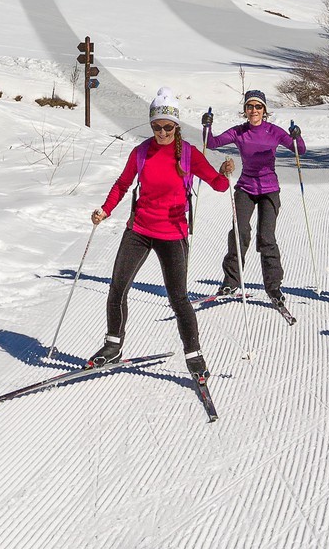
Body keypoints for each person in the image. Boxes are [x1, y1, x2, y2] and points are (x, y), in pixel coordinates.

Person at [86, 86, 235, 380]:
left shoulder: (189, 154)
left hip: (173, 233)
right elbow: (122, 184)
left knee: (178, 298)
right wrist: (105, 210)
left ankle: (195, 358)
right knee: (117, 288)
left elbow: (219, 186)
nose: (162, 132)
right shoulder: (141, 152)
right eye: (157, 126)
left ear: (176, 126)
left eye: (168, 127)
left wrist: (224, 172)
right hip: (139, 229)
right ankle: (112, 345)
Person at [203, 89, 305, 313]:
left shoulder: (274, 131)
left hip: (269, 190)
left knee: (266, 237)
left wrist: (297, 136)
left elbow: (301, 150)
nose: (254, 111)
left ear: (264, 110)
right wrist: (206, 126)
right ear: (245, 110)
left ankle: (274, 288)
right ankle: (231, 282)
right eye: (250, 107)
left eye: (258, 107)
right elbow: (211, 143)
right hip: (246, 188)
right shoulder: (240, 132)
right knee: (239, 233)